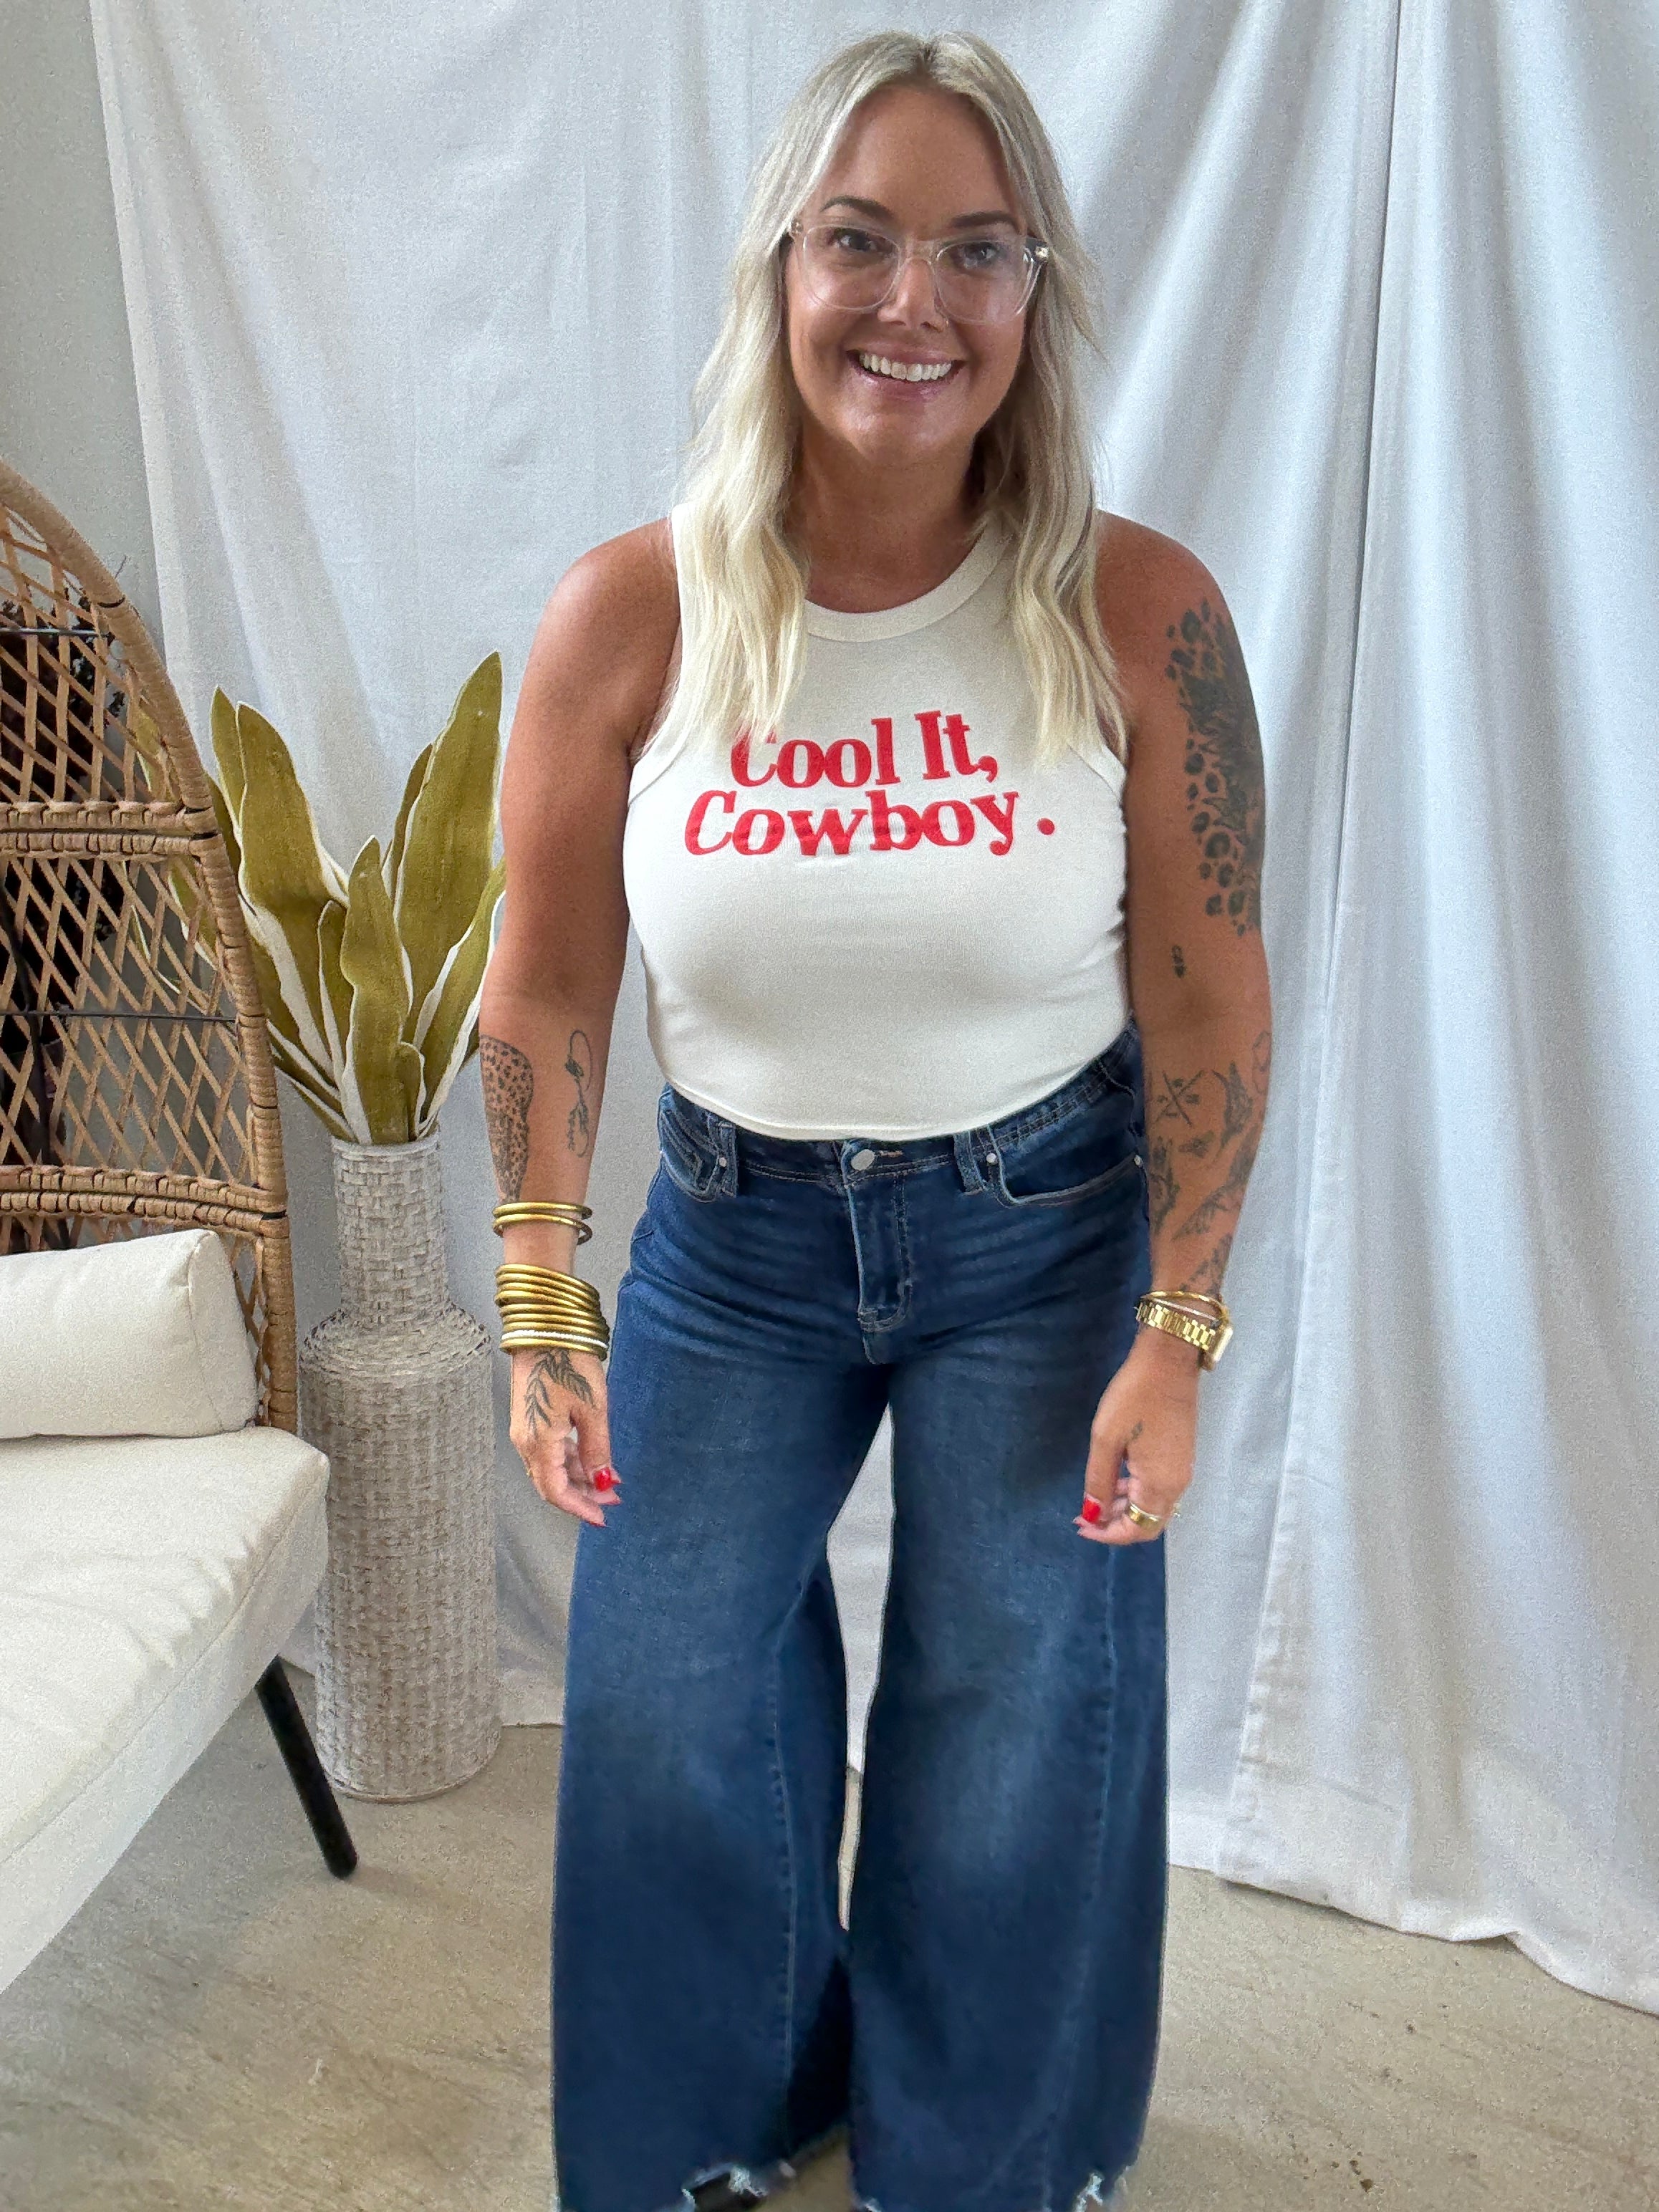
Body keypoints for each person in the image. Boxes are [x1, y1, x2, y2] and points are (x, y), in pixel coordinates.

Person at [477, 29, 1271, 2212]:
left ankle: (982, 2163)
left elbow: (1204, 997)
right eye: (858, 240)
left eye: (975, 251)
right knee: (666, 1704)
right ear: (779, 271)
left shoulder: (1138, 613)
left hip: (1044, 1234)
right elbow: (544, 982)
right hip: (729, 1248)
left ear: (1032, 298)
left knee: (1009, 1716)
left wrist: (1178, 1327)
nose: (912, 302)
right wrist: (538, 1294)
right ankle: (715, 2131)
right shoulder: (631, 614)